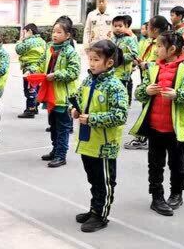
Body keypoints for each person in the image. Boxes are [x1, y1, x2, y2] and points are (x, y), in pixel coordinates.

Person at [130, 31, 184, 216]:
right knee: (155, 164)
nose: (156, 50)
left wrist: (178, 95)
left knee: (176, 164)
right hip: (155, 127)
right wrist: (146, 90)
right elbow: (139, 93)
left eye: (159, 46)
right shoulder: (152, 69)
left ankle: (176, 194)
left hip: (177, 129)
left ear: (172, 49)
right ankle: (157, 196)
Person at [70, 40, 129, 233]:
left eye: (96, 60)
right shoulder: (88, 79)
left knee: (104, 181)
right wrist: (74, 109)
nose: (92, 63)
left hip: (105, 145)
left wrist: (93, 118)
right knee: (93, 178)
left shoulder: (115, 86)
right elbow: (78, 97)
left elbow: (120, 115)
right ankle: (94, 208)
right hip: (88, 141)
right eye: (90, 59)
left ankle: (101, 215)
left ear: (109, 63)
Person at [29, 17, 81, 168]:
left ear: (68, 35)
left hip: (63, 96)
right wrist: (32, 70)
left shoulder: (70, 51)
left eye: (59, 32)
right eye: (53, 31)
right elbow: (40, 63)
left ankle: (61, 155)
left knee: (63, 127)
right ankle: (55, 150)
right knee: (53, 125)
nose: (55, 35)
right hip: (50, 94)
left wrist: (56, 75)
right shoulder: (49, 47)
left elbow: (74, 71)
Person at [125, 16, 171, 150]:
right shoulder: (149, 41)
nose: (146, 28)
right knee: (146, 109)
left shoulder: (163, 42)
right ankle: (145, 137)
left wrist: (148, 65)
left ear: (155, 29)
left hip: (157, 80)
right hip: (147, 78)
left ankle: (144, 138)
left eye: (148, 26)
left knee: (149, 111)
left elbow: (165, 62)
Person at [16, 23, 47, 118]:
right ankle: (35, 107)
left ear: (29, 31)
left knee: (29, 89)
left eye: (24, 33)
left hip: (29, 69)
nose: (23, 35)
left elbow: (18, 50)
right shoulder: (42, 41)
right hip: (39, 68)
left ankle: (30, 109)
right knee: (36, 88)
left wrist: (20, 41)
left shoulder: (28, 41)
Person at [112, 15, 139, 102]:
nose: (117, 28)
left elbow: (134, 54)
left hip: (123, 74)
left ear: (126, 26)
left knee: (121, 95)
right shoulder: (111, 39)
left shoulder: (129, 40)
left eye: (120, 26)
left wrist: (120, 57)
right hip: (111, 72)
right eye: (115, 26)